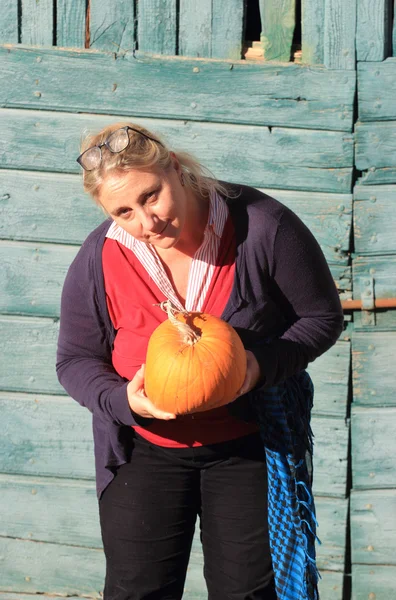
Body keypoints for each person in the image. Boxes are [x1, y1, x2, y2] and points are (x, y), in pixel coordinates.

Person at [56, 122, 344, 600]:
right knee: (136, 591)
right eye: (123, 212)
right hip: (142, 450)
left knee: (248, 594)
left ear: (174, 167)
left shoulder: (263, 227)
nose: (146, 222)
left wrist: (260, 366)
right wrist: (122, 400)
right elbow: (75, 360)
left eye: (152, 196)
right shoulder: (101, 256)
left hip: (248, 449)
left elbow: (321, 317)